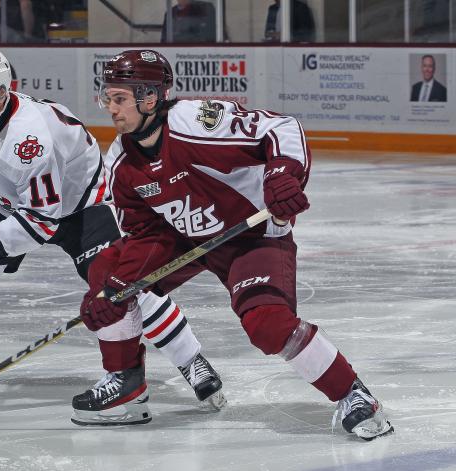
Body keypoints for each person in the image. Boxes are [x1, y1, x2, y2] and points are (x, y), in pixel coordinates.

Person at [73, 49, 394, 441]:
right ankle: (126, 384)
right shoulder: (122, 160)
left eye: (118, 98)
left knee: (268, 325)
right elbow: (145, 236)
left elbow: (281, 130)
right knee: (109, 273)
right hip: (186, 238)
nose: (110, 108)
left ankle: (353, 394)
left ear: (150, 97)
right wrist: (118, 288)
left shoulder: (197, 122)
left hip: (249, 236)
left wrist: (281, 176)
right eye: (107, 98)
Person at [0, 47, 225, 418]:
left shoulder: (28, 140)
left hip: (84, 206)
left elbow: (41, 222)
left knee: (123, 287)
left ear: (0, 95)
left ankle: (191, 361)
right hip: (17, 201)